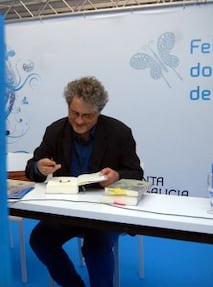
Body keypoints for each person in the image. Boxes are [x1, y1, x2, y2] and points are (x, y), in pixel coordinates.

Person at [25, 76, 143, 287]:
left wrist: (117, 176)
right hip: (68, 210)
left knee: (96, 247)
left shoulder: (119, 133)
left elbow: (136, 173)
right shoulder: (55, 130)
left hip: (107, 211)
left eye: (87, 116)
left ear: (99, 111)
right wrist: (38, 167)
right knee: (39, 240)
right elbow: (32, 167)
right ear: (68, 107)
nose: (79, 121)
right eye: (74, 113)